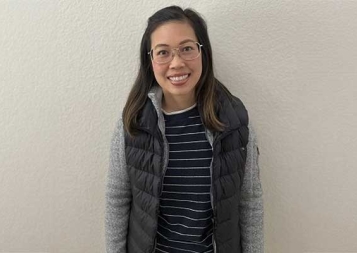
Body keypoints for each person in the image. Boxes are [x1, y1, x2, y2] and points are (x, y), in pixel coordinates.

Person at [105, 5, 263, 253]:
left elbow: (249, 201)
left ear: (203, 53)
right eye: (163, 52)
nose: (176, 63)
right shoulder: (133, 122)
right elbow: (117, 199)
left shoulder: (234, 121)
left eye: (187, 48)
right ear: (150, 60)